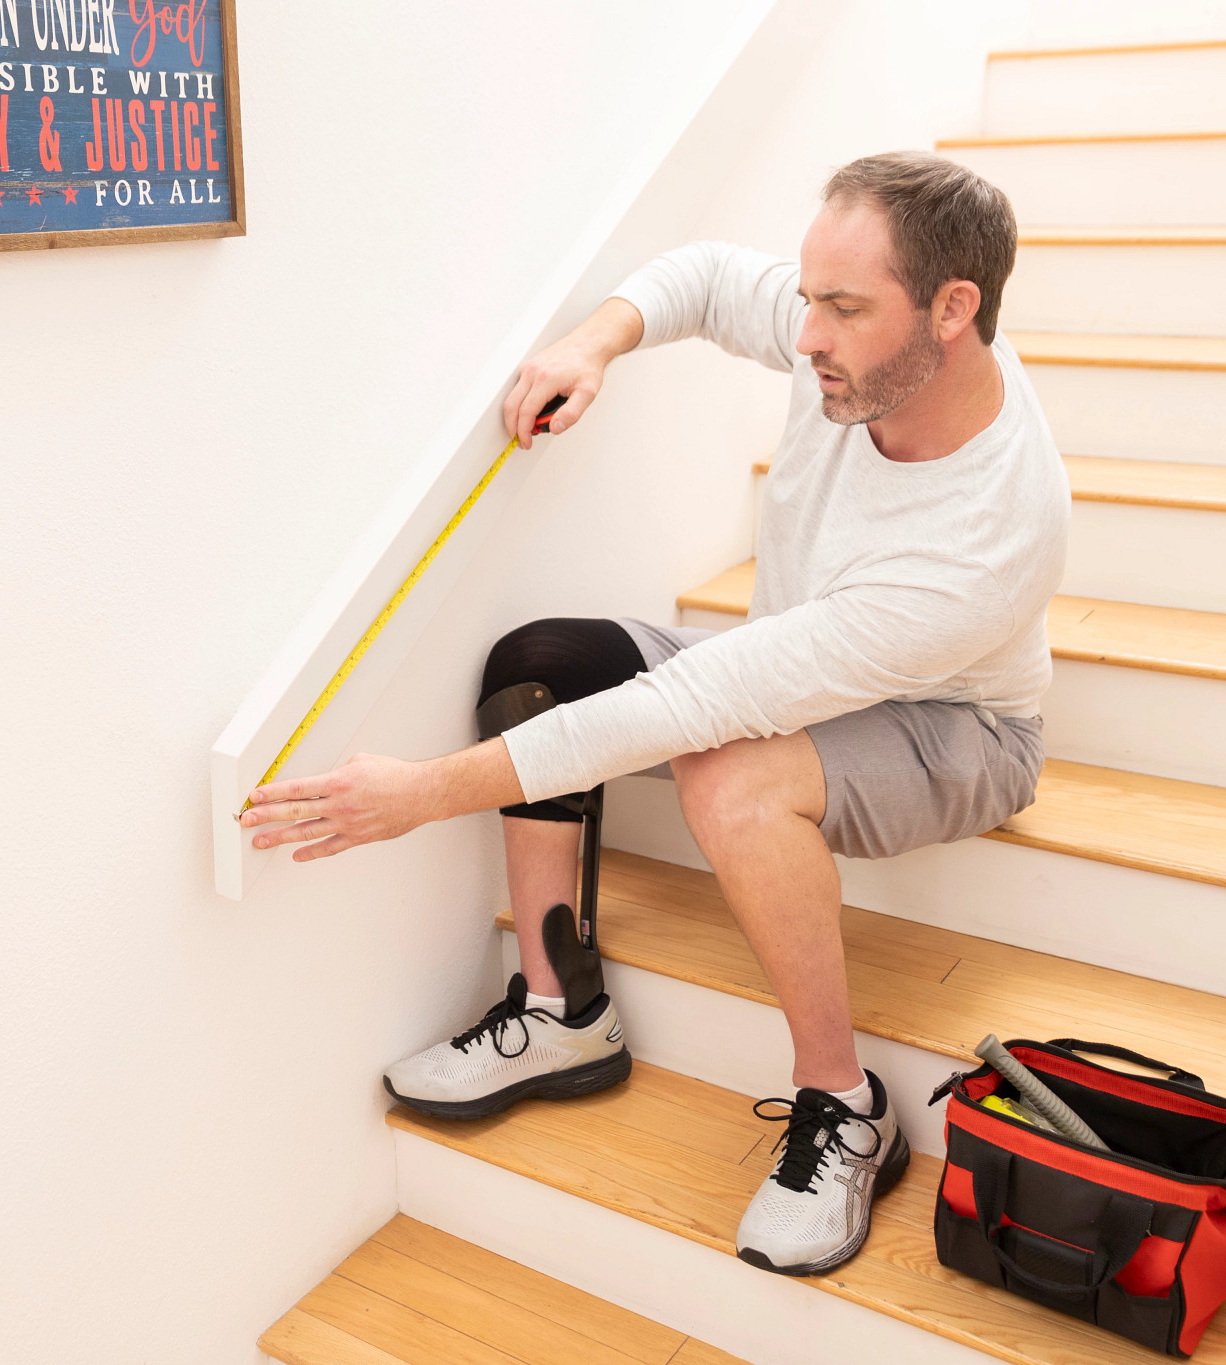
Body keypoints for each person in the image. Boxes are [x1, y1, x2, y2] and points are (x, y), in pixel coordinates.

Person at [239, 151, 1068, 1277]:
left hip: (953, 726)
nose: (806, 332)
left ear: (953, 310)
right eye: (810, 297)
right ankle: (559, 1010)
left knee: (726, 774)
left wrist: (425, 793)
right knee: (535, 663)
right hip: (799, 655)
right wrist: (592, 345)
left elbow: (699, 704)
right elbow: (708, 276)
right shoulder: (867, 349)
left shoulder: (989, 533)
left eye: (841, 307)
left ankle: (844, 1099)